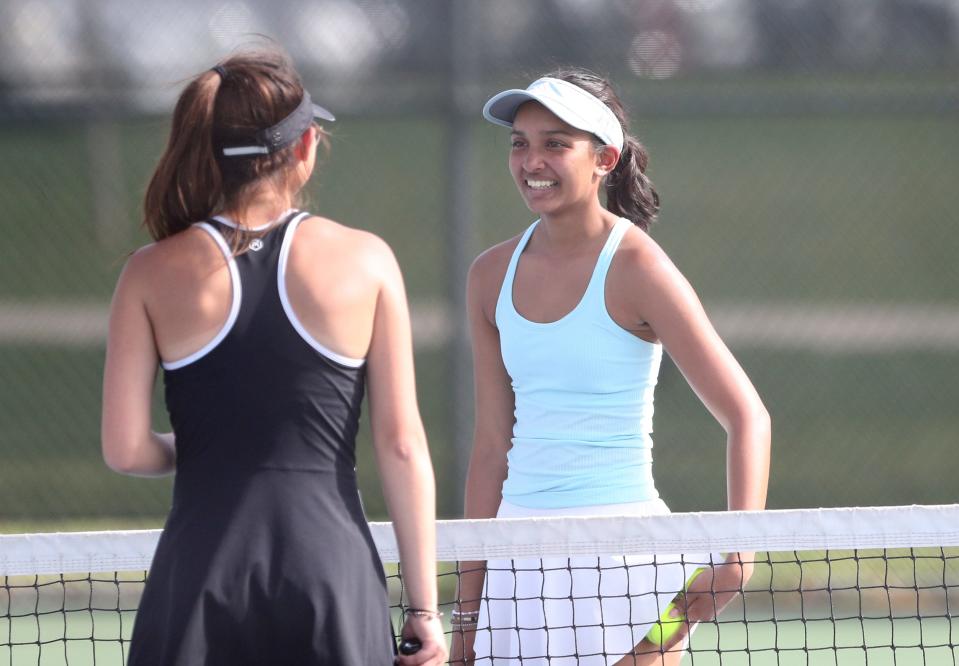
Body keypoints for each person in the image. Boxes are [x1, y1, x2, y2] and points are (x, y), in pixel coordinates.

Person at [100, 49, 447, 666]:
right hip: (330, 574)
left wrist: (214, 444)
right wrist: (423, 610)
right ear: (306, 146)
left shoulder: (147, 273)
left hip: (199, 572)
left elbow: (125, 450)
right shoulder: (366, 259)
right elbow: (401, 446)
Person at [451, 69, 771, 665]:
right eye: (519, 142)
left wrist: (738, 558)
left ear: (605, 159)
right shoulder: (488, 276)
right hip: (517, 565)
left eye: (555, 143)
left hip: (629, 569)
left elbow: (747, 416)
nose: (531, 160)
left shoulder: (639, 268)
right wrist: (468, 616)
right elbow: (492, 447)